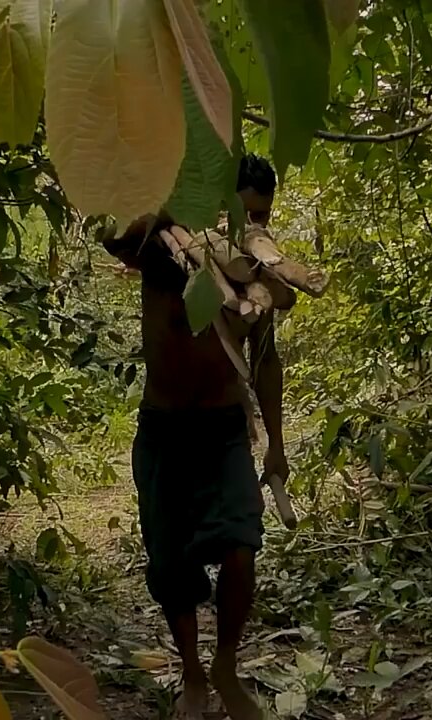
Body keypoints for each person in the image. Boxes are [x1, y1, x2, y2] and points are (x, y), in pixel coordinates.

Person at [102, 154, 288, 720]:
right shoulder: (165, 249)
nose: (253, 229)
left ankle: (226, 666)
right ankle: (192, 674)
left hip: (224, 428)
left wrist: (276, 445)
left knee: (239, 546)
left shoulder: (255, 273)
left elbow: (266, 361)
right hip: (165, 429)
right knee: (172, 564)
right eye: (244, 216)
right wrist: (177, 213)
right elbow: (111, 231)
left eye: (263, 218)